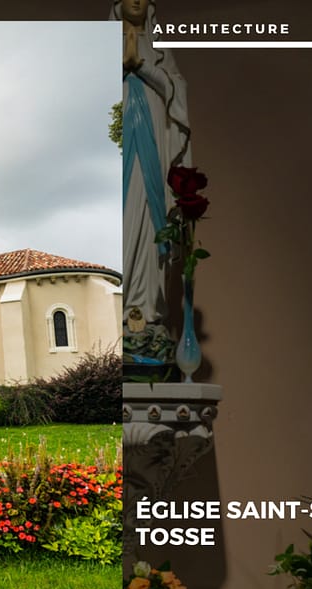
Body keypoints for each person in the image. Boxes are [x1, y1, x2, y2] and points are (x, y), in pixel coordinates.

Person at [111, 0, 193, 365]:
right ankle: (123, 310)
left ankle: (148, 314)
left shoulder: (159, 50)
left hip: (153, 141)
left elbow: (177, 91)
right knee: (124, 213)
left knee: (150, 213)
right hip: (120, 147)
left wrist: (140, 65)